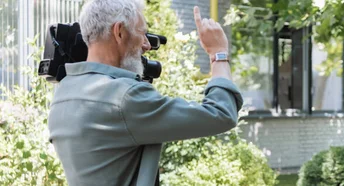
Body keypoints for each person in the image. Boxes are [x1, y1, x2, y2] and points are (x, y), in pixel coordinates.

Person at [47, 0, 242, 185]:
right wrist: (218, 54)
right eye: (142, 33)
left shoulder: (64, 91)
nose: (147, 45)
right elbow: (221, 113)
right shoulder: (124, 98)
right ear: (120, 32)